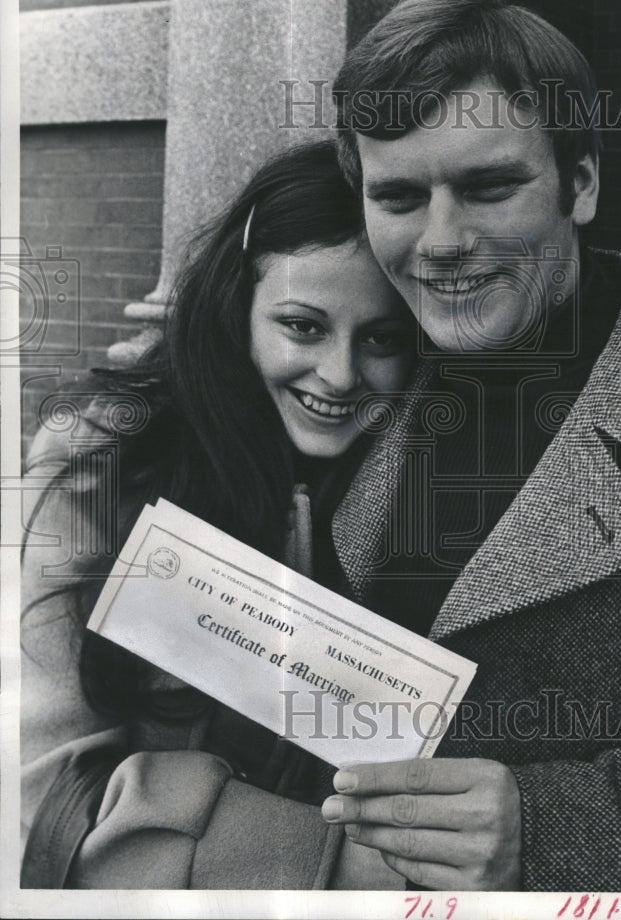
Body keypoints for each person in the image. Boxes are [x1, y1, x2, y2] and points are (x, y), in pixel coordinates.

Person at [318, 0, 621, 893]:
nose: (441, 242)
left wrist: (551, 830)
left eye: (489, 187)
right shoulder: (348, 382)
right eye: (398, 197)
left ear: (582, 183)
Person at [20, 139, 418, 888]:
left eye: (382, 339)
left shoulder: (427, 474)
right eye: (302, 326)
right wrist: (351, 874)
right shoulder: (107, 461)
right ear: (238, 310)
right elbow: (38, 794)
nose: (339, 375)